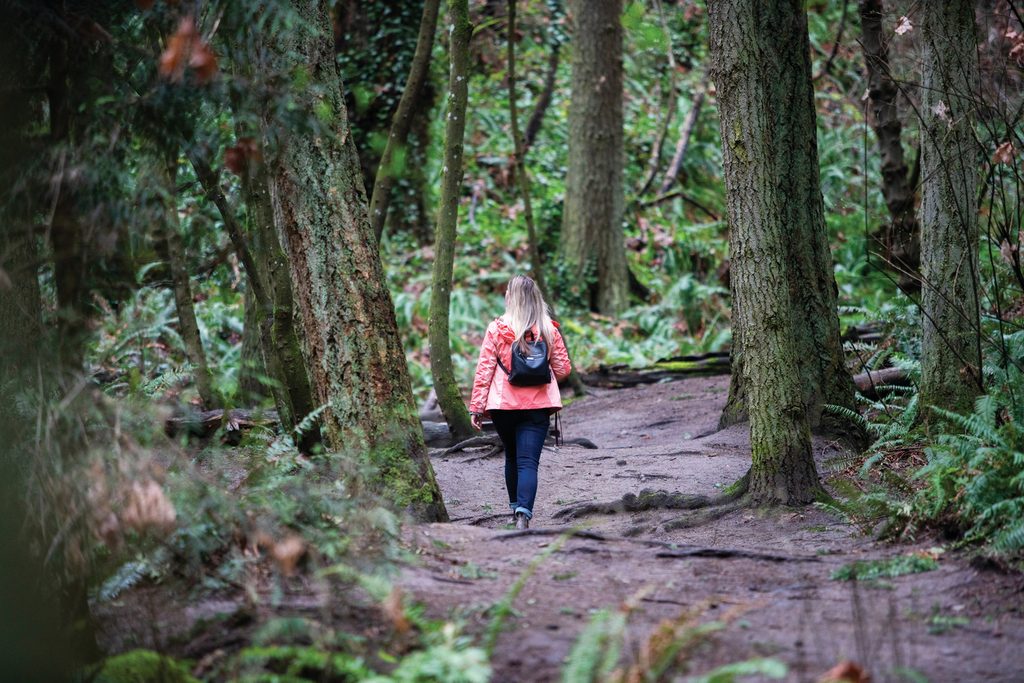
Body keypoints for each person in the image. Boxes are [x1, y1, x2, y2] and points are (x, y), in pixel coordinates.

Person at [469, 275, 572, 530]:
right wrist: (541, 376)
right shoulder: (549, 329)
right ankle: (523, 515)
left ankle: (515, 507)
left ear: (510, 297)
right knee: (529, 462)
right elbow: (563, 369)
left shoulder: (498, 329)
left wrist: (477, 407)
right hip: (537, 407)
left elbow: (485, 370)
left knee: (512, 457)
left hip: (504, 406)